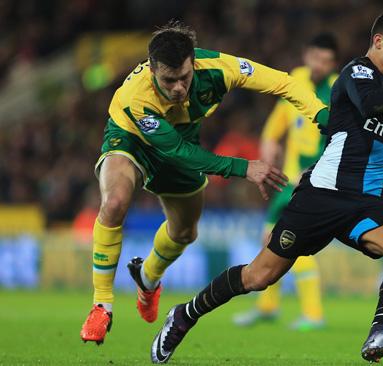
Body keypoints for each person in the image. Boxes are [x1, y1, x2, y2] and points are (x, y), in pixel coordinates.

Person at [150, 10, 383, 364]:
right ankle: (184, 314)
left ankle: (379, 331)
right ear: (379, 42)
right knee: (259, 276)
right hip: (321, 197)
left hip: (363, 205)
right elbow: (369, 105)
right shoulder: (357, 73)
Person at [79, 21, 330, 345]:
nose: (179, 88)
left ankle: (148, 278)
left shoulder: (220, 68)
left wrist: (320, 114)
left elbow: (283, 83)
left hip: (182, 138)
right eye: (169, 80)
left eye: (184, 77)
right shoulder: (135, 97)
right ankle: (102, 305)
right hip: (132, 139)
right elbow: (178, 151)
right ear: (152, 69)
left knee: (185, 232)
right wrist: (244, 168)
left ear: (193, 63)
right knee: (114, 202)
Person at [232, 33, 339, 332]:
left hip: (313, 182)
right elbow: (280, 119)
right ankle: (267, 307)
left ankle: (314, 314)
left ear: (333, 64)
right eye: (317, 57)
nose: (321, 64)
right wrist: (268, 142)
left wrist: (318, 169)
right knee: (269, 240)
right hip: (288, 180)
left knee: (293, 244)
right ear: (307, 56)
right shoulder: (297, 80)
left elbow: (339, 137)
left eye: (327, 61)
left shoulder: (337, 91)